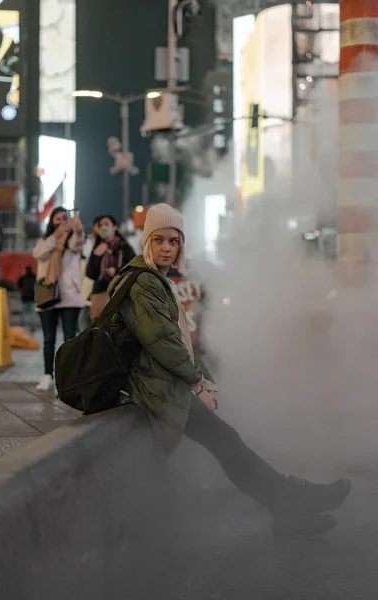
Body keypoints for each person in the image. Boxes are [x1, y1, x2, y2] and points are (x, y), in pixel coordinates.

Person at [106, 203, 351, 536]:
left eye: (174, 241)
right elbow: (162, 343)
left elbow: (178, 340)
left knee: (226, 442)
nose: (167, 248)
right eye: (159, 240)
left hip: (162, 384)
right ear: (147, 241)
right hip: (155, 389)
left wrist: (202, 376)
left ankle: (289, 504)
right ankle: (291, 501)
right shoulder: (143, 283)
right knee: (226, 442)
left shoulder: (155, 280)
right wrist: (197, 384)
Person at [33, 207, 85, 392]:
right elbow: (38, 254)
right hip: (48, 295)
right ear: (51, 222)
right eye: (57, 218)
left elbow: (77, 244)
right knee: (49, 338)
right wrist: (55, 236)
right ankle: (48, 374)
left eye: (64, 218)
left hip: (69, 296)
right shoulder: (44, 241)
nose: (61, 221)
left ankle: (69, 376)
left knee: (70, 339)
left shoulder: (71, 241)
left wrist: (78, 230)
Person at [86, 214, 135, 321]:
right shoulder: (97, 248)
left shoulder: (124, 248)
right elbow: (90, 273)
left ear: (114, 227)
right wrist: (96, 255)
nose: (103, 227)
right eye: (100, 225)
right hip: (100, 294)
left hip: (120, 292)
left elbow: (133, 268)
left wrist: (117, 271)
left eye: (107, 224)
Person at [79, 216, 101, 331]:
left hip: (101, 292)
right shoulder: (85, 244)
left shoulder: (111, 246)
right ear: (94, 227)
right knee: (84, 322)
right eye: (99, 226)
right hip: (85, 288)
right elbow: (81, 267)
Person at [17, 265, 36, 332]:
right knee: (32, 313)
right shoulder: (34, 277)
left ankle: (22, 327)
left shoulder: (22, 277)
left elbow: (19, 286)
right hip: (32, 297)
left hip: (24, 297)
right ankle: (32, 327)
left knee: (24, 313)